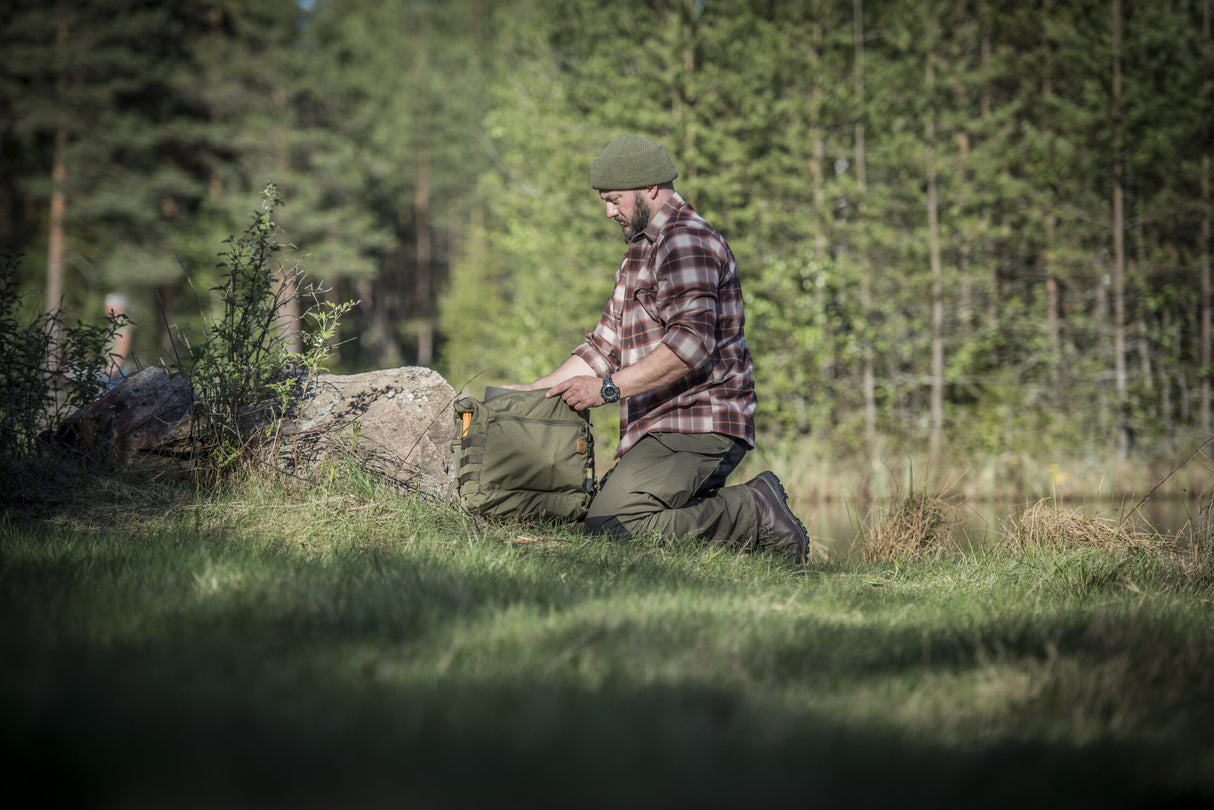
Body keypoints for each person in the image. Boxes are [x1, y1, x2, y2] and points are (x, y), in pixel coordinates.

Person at [508, 134, 809, 563]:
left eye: (614, 200)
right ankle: (726, 521)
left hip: (699, 422)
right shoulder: (639, 252)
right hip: (660, 429)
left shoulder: (686, 240)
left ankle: (755, 511)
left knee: (613, 527)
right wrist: (534, 392)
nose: (608, 211)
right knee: (590, 519)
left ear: (649, 186)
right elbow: (602, 348)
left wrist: (606, 390)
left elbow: (691, 345)